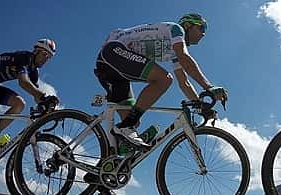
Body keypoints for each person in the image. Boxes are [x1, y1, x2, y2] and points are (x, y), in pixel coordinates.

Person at [94, 13, 227, 148]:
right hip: (114, 52)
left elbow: (184, 83)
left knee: (131, 120)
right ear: (188, 25)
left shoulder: (175, 52)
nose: (204, 34)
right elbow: (185, 60)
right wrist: (209, 87)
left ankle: (113, 158)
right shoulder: (176, 30)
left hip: (116, 72)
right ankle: (125, 127)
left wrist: (200, 106)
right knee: (164, 79)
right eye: (202, 28)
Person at [0, 39, 59, 151]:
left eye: (49, 57)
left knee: (19, 103)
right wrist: (43, 97)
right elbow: (23, 82)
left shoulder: (34, 71)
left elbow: (36, 94)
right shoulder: (24, 58)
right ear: (36, 51)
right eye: (44, 54)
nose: (46, 59)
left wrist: (49, 108)